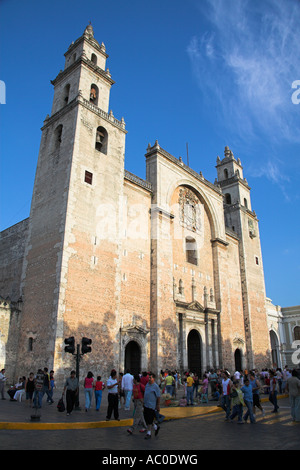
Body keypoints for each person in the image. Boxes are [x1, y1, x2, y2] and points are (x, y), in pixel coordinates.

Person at [143, 373, 161, 440]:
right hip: (146, 404)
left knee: (150, 419)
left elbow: (158, 396)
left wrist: (158, 405)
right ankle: (156, 427)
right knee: (146, 418)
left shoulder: (155, 386)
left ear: (153, 378)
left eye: (150, 378)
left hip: (152, 405)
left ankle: (149, 433)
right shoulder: (147, 385)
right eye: (149, 377)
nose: (149, 379)